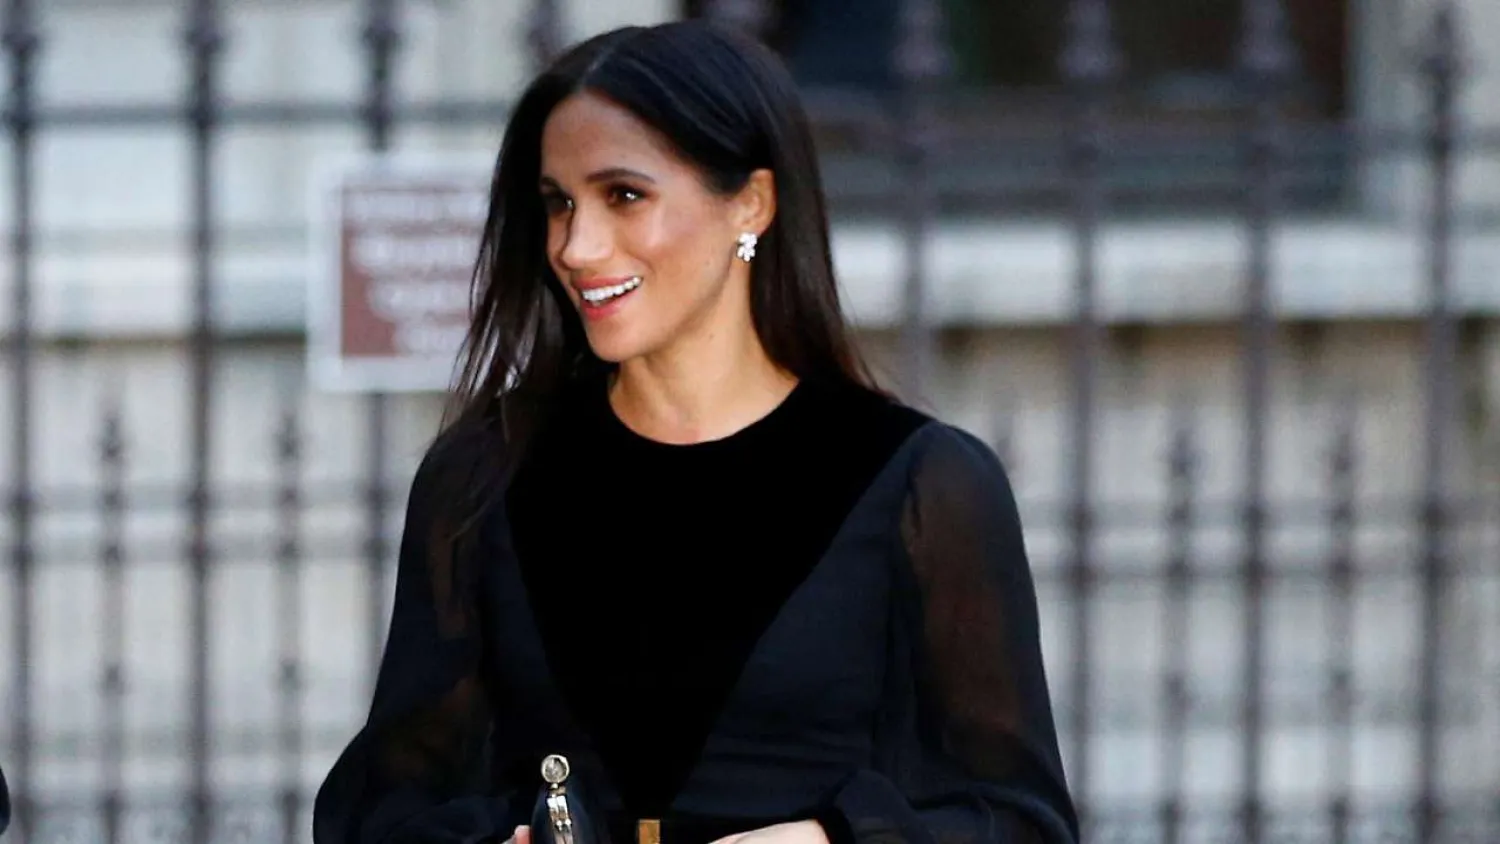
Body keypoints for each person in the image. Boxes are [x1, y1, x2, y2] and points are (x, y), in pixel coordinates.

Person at [312, 19, 1078, 844]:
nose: (577, 245)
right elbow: (380, 805)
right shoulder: (487, 473)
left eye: (624, 196)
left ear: (751, 202)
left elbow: (1022, 823)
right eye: (557, 203)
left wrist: (832, 841)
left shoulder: (919, 483)